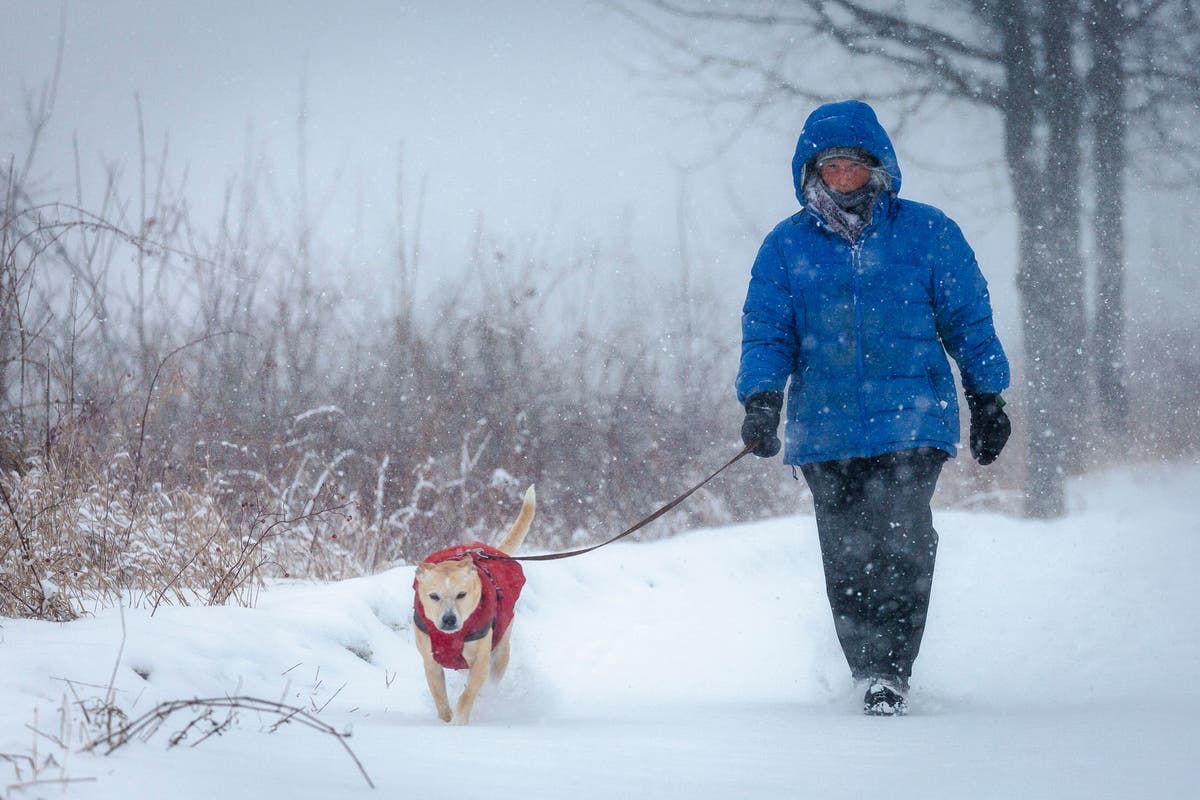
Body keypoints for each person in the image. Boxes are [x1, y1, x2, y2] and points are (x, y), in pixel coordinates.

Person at [736, 100, 1011, 716]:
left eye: (852, 168)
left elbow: (968, 318)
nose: (841, 179)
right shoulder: (785, 246)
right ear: (811, 173)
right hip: (825, 425)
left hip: (913, 415)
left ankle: (892, 669)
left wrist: (987, 395)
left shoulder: (928, 232)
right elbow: (767, 331)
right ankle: (866, 669)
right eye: (829, 169)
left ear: (877, 168)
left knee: (902, 537)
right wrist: (761, 400)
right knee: (846, 549)